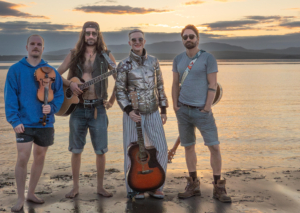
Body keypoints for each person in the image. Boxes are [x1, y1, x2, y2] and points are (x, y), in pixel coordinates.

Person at [57, 21, 118, 198]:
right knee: (76, 150)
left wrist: (111, 101)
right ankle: (75, 188)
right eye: (88, 33)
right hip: (77, 108)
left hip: (98, 108)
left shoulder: (106, 55)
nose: (91, 36)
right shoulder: (74, 54)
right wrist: (70, 84)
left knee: (100, 151)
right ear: (83, 35)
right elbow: (56, 75)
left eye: (94, 33)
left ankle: (100, 187)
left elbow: (120, 78)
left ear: (98, 35)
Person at [4, 34, 64, 212]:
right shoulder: (15, 70)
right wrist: (14, 120)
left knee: (40, 157)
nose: (35, 46)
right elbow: (10, 97)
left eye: (39, 44)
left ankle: (31, 193)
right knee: (23, 157)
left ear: (43, 48)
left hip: (45, 122)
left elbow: (59, 94)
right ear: (27, 47)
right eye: (32, 44)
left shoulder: (51, 71)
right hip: (23, 123)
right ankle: (20, 198)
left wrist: (52, 107)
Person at [171, 25, 231, 202]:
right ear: (182, 40)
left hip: (202, 112)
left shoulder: (208, 58)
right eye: (185, 37)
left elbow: (213, 84)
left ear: (198, 38)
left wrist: (207, 107)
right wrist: (175, 105)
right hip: (183, 110)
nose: (188, 39)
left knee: (214, 147)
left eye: (191, 36)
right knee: (188, 146)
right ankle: (193, 184)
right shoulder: (178, 59)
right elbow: (175, 84)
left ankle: (218, 186)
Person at [115, 29, 169, 200]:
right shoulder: (123, 65)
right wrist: (128, 111)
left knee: (161, 148)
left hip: (153, 111)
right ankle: (134, 188)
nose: (137, 42)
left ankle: (157, 186)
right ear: (129, 43)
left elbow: (160, 85)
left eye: (140, 39)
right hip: (133, 114)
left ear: (144, 41)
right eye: (134, 40)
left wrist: (163, 109)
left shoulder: (154, 61)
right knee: (131, 151)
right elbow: (119, 91)